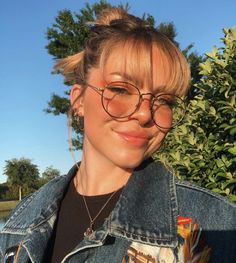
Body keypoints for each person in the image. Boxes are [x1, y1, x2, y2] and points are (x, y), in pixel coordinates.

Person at [0, 7, 235, 263]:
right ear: (78, 99)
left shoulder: (219, 226)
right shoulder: (18, 224)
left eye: (164, 99)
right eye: (121, 89)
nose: (145, 114)